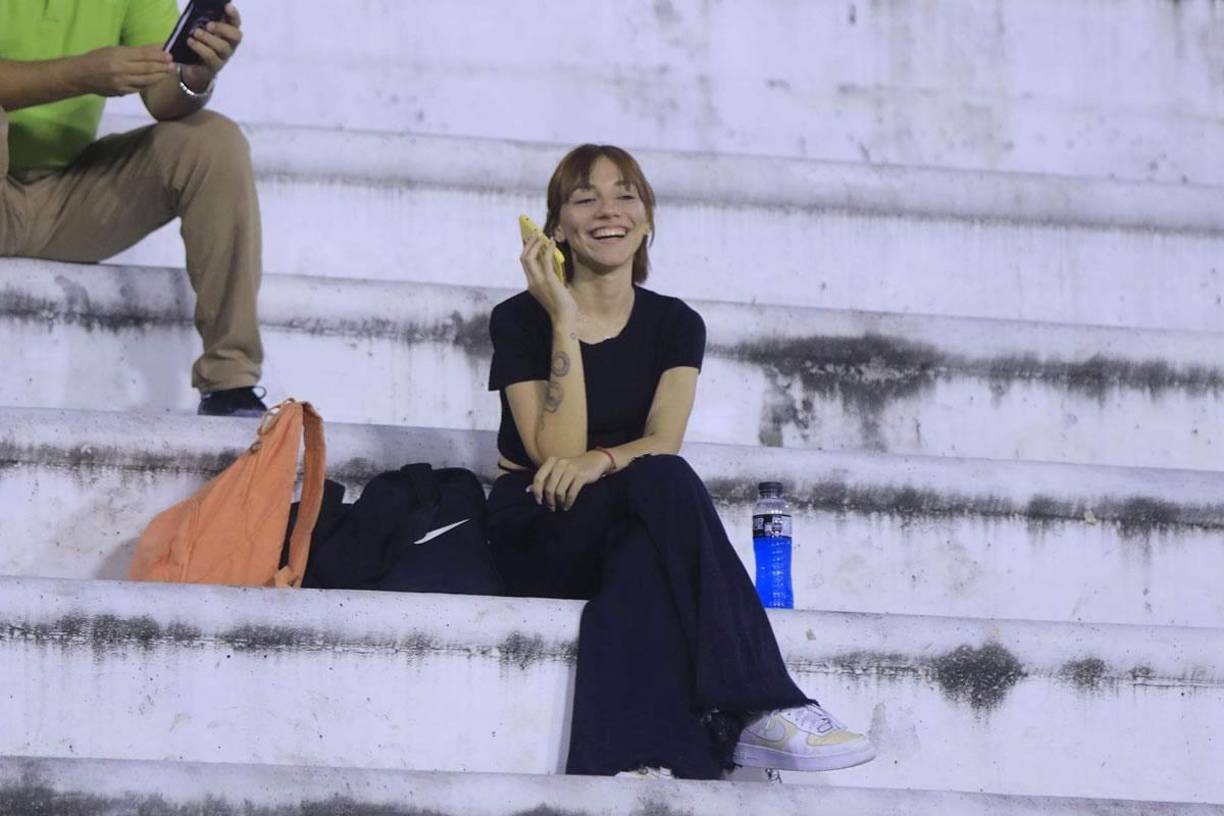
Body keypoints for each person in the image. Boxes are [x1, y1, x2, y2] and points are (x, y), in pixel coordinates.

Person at [485, 144, 876, 779]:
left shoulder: (675, 324)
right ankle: (764, 703)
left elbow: (662, 439)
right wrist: (562, 316)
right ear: (556, 227)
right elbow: (553, 454)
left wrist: (600, 462)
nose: (607, 210)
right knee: (660, 485)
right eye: (584, 198)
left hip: (622, 519)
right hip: (539, 521)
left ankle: (625, 769)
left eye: (625, 195)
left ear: (647, 218)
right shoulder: (520, 319)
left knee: (644, 550)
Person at [0, 1, 266, 417]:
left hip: (68, 200)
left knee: (214, 141)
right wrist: (80, 73)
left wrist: (194, 76)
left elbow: (163, 95)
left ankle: (230, 384)